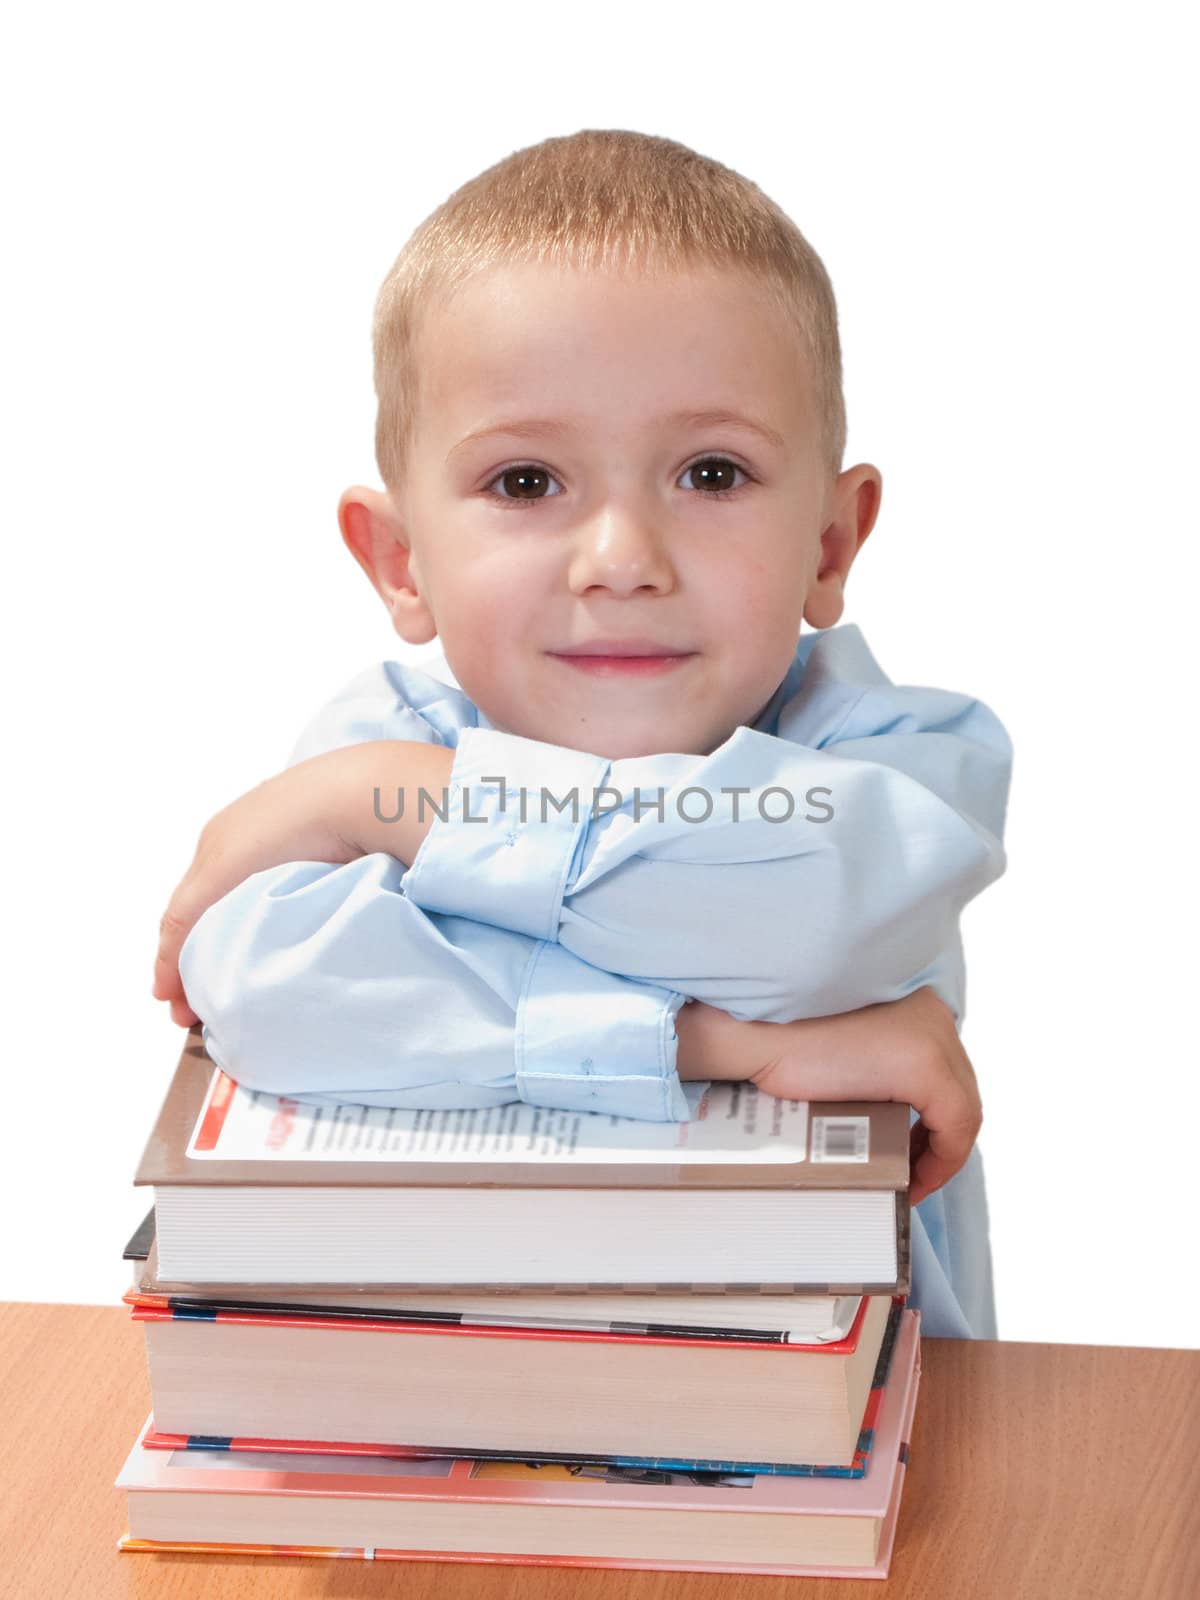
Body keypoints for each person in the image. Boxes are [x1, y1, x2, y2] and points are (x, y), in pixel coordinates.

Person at [152, 129, 1013, 1338]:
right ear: (401, 562)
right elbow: (269, 988)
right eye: (524, 483)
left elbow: (810, 915)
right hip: (469, 1434)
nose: (621, 562)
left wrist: (395, 806)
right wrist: (721, 1041)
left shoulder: (906, 758)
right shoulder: (380, 728)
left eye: (711, 474)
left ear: (830, 543)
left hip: (860, 1445)